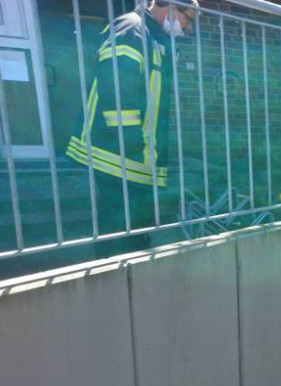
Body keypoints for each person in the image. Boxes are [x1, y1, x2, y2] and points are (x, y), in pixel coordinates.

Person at [65, 0, 197, 257]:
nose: (188, 28)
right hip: (118, 156)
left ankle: (133, 282)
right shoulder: (132, 29)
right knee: (117, 236)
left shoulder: (153, 36)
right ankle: (113, 285)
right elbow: (116, 90)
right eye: (188, 19)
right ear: (170, 7)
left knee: (136, 233)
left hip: (136, 159)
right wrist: (134, 145)